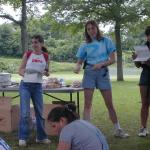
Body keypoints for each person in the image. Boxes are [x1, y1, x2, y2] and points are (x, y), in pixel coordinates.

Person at [74, 20, 129, 138]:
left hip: (103, 73)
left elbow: (112, 60)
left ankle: (118, 129)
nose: (91, 31)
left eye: (92, 28)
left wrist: (101, 64)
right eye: (88, 29)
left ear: (97, 28)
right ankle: (87, 132)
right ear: (86, 31)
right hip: (89, 72)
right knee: (87, 104)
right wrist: (77, 67)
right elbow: (79, 61)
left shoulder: (106, 41)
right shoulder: (84, 44)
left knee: (109, 104)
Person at [18, 34, 51, 146]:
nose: (34, 44)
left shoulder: (46, 56)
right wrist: (26, 73)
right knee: (25, 113)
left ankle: (41, 137)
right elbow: (20, 70)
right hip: (25, 86)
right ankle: (23, 137)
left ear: (41, 43)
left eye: (36, 42)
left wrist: (45, 73)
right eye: (32, 42)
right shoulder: (27, 54)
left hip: (37, 87)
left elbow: (47, 71)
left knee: (40, 113)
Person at [132, 26, 150, 137]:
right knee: (144, 104)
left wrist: (147, 62)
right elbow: (138, 65)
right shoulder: (143, 47)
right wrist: (135, 59)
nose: (149, 37)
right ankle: (143, 128)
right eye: (148, 35)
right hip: (145, 77)